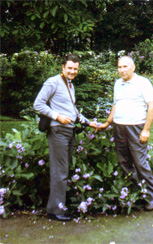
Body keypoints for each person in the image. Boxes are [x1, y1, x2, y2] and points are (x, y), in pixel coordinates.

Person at [34, 54, 97, 221]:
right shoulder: (52, 82)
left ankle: (59, 205)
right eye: (69, 68)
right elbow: (38, 103)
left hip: (69, 131)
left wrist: (88, 122)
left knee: (64, 169)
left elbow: (72, 111)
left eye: (75, 69)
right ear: (62, 67)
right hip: (58, 131)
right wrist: (57, 116)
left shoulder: (70, 84)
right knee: (60, 171)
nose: (72, 71)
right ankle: (55, 211)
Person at [99, 56, 153, 211]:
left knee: (140, 162)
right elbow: (116, 104)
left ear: (133, 67)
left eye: (125, 66)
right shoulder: (118, 84)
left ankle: (152, 197)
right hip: (119, 127)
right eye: (119, 67)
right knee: (124, 161)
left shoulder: (143, 83)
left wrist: (146, 129)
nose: (122, 70)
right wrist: (107, 122)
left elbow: (151, 106)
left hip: (136, 127)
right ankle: (135, 194)